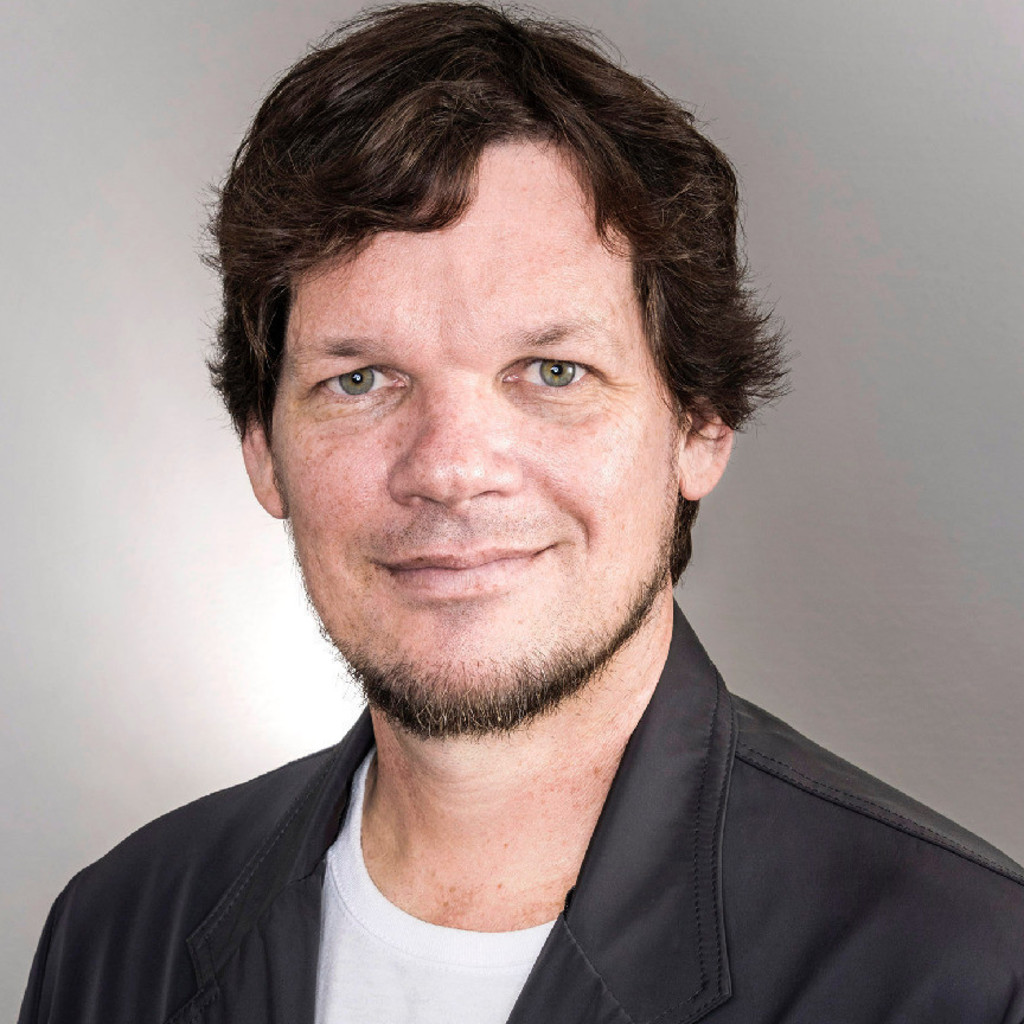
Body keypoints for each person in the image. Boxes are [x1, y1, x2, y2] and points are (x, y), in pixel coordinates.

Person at [19, 4, 1024, 1022]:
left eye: (552, 371)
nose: (450, 469)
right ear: (261, 449)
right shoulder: (117, 935)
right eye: (360, 379)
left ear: (700, 425)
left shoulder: (967, 976)